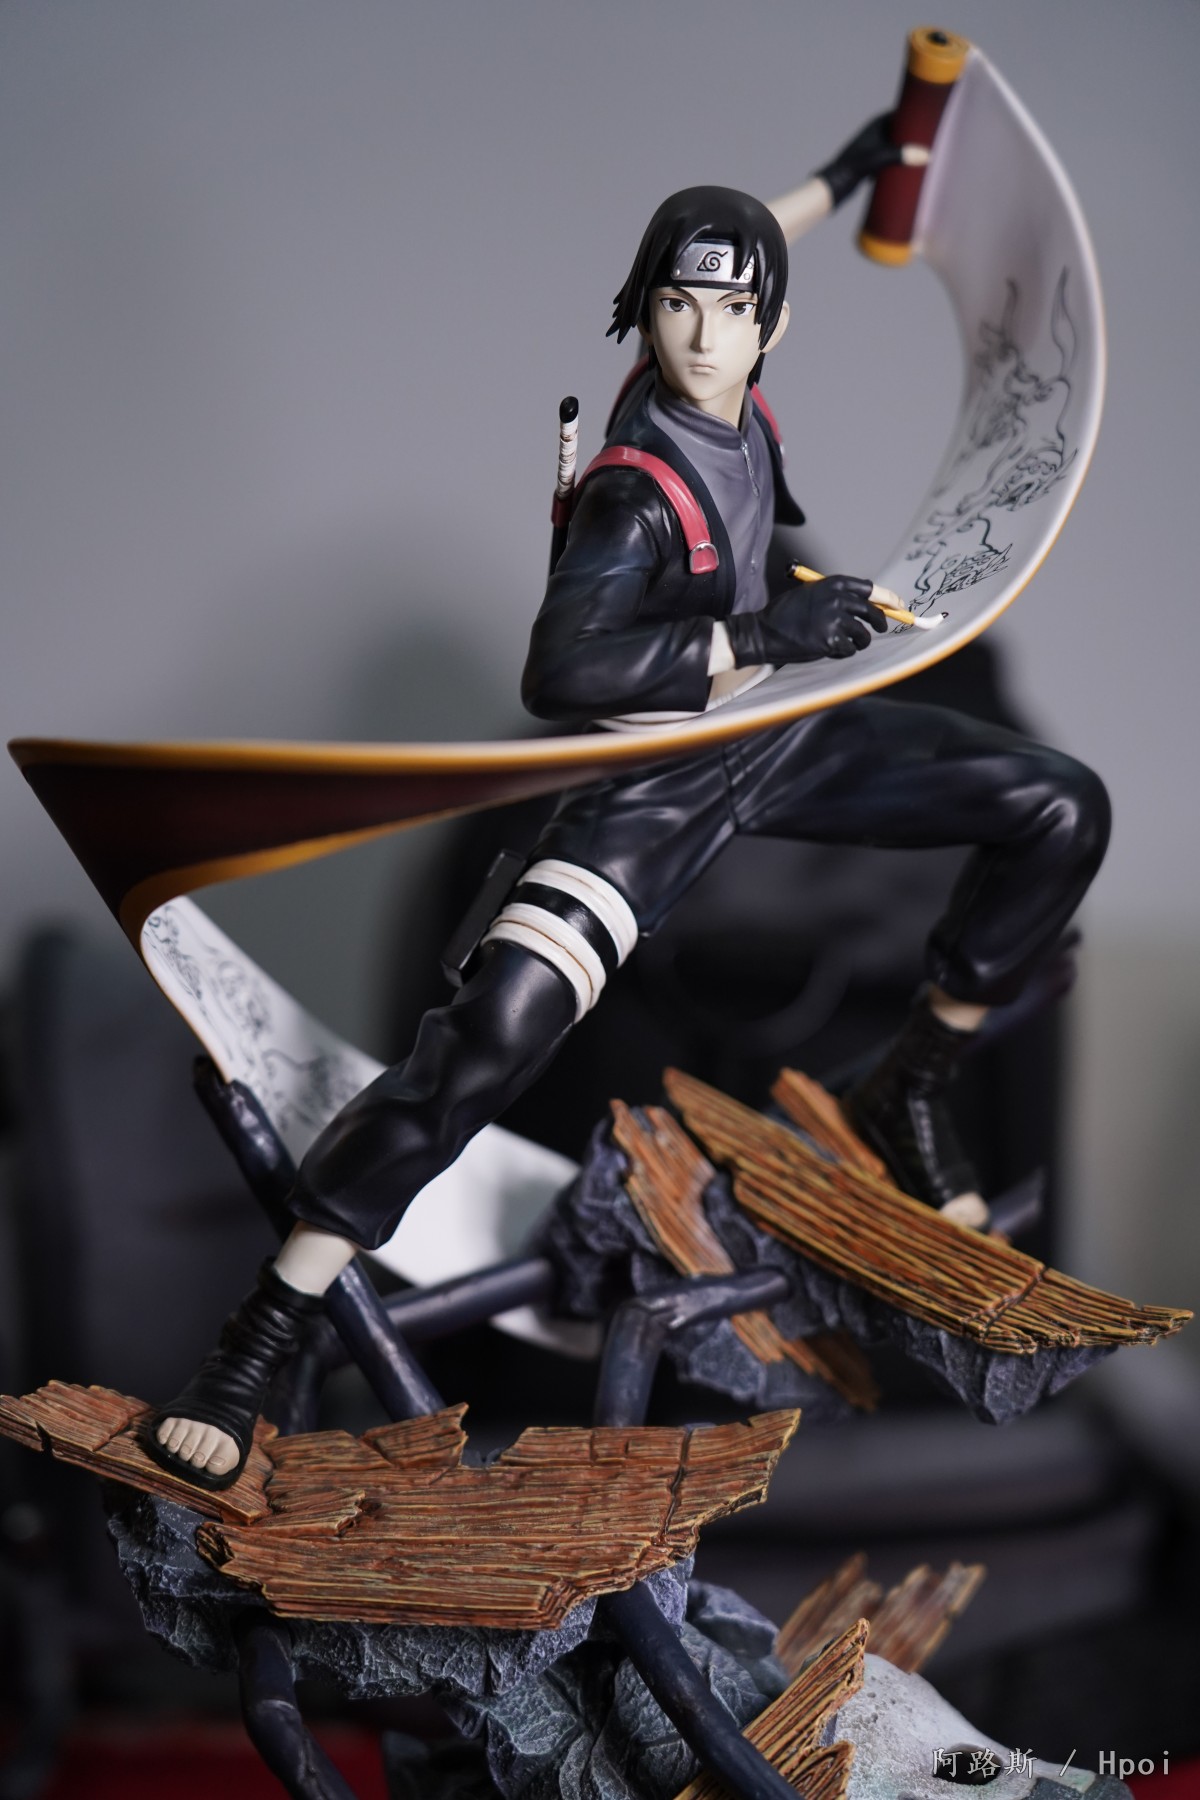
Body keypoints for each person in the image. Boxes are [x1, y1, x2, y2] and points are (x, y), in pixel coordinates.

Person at [148, 122, 1110, 1490]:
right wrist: (764, 634)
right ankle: (261, 1333)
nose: (706, 336)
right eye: (678, 306)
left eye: (734, 309)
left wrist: (863, 164)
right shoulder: (632, 487)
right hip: (654, 790)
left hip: (779, 743)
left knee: (1060, 809)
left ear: (772, 321)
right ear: (644, 313)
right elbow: (565, 670)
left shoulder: (744, 390)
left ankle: (912, 1084)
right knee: (479, 1049)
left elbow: (756, 232)